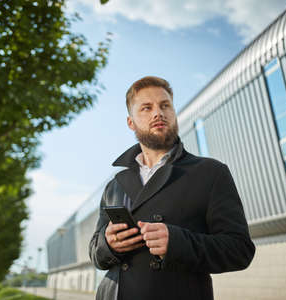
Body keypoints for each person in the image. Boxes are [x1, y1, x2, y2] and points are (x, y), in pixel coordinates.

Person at [89, 76, 255, 300]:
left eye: (165, 105)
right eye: (146, 108)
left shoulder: (211, 173)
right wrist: (108, 244)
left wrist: (178, 242)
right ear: (131, 122)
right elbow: (96, 254)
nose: (158, 113)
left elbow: (239, 250)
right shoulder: (115, 184)